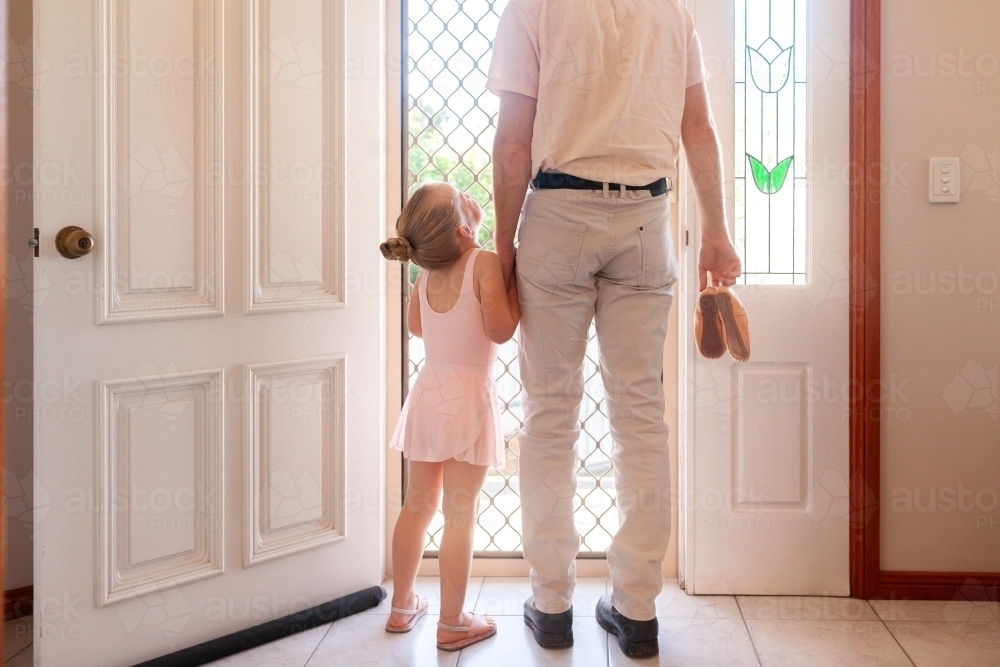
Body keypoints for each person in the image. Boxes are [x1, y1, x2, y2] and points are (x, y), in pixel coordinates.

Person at [487, 0, 742, 658]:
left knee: (548, 413)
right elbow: (698, 128)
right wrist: (716, 229)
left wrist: (506, 247)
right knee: (639, 411)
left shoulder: (533, 8)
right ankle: (636, 611)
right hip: (644, 218)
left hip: (557, 215)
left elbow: (514, 141)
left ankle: (550, 604)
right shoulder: (674, 12)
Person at [379, 182, 520, 651]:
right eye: (461, 195)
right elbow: (500, 329)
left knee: (417, 505)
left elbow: (417, 327)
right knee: (460, 513)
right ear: (463, 229)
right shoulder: (481, 262)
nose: (468, 194)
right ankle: (454, 621)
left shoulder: (426, 271)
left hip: (429, 393)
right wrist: (512, 283)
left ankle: (402, 607)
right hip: (468, 398)